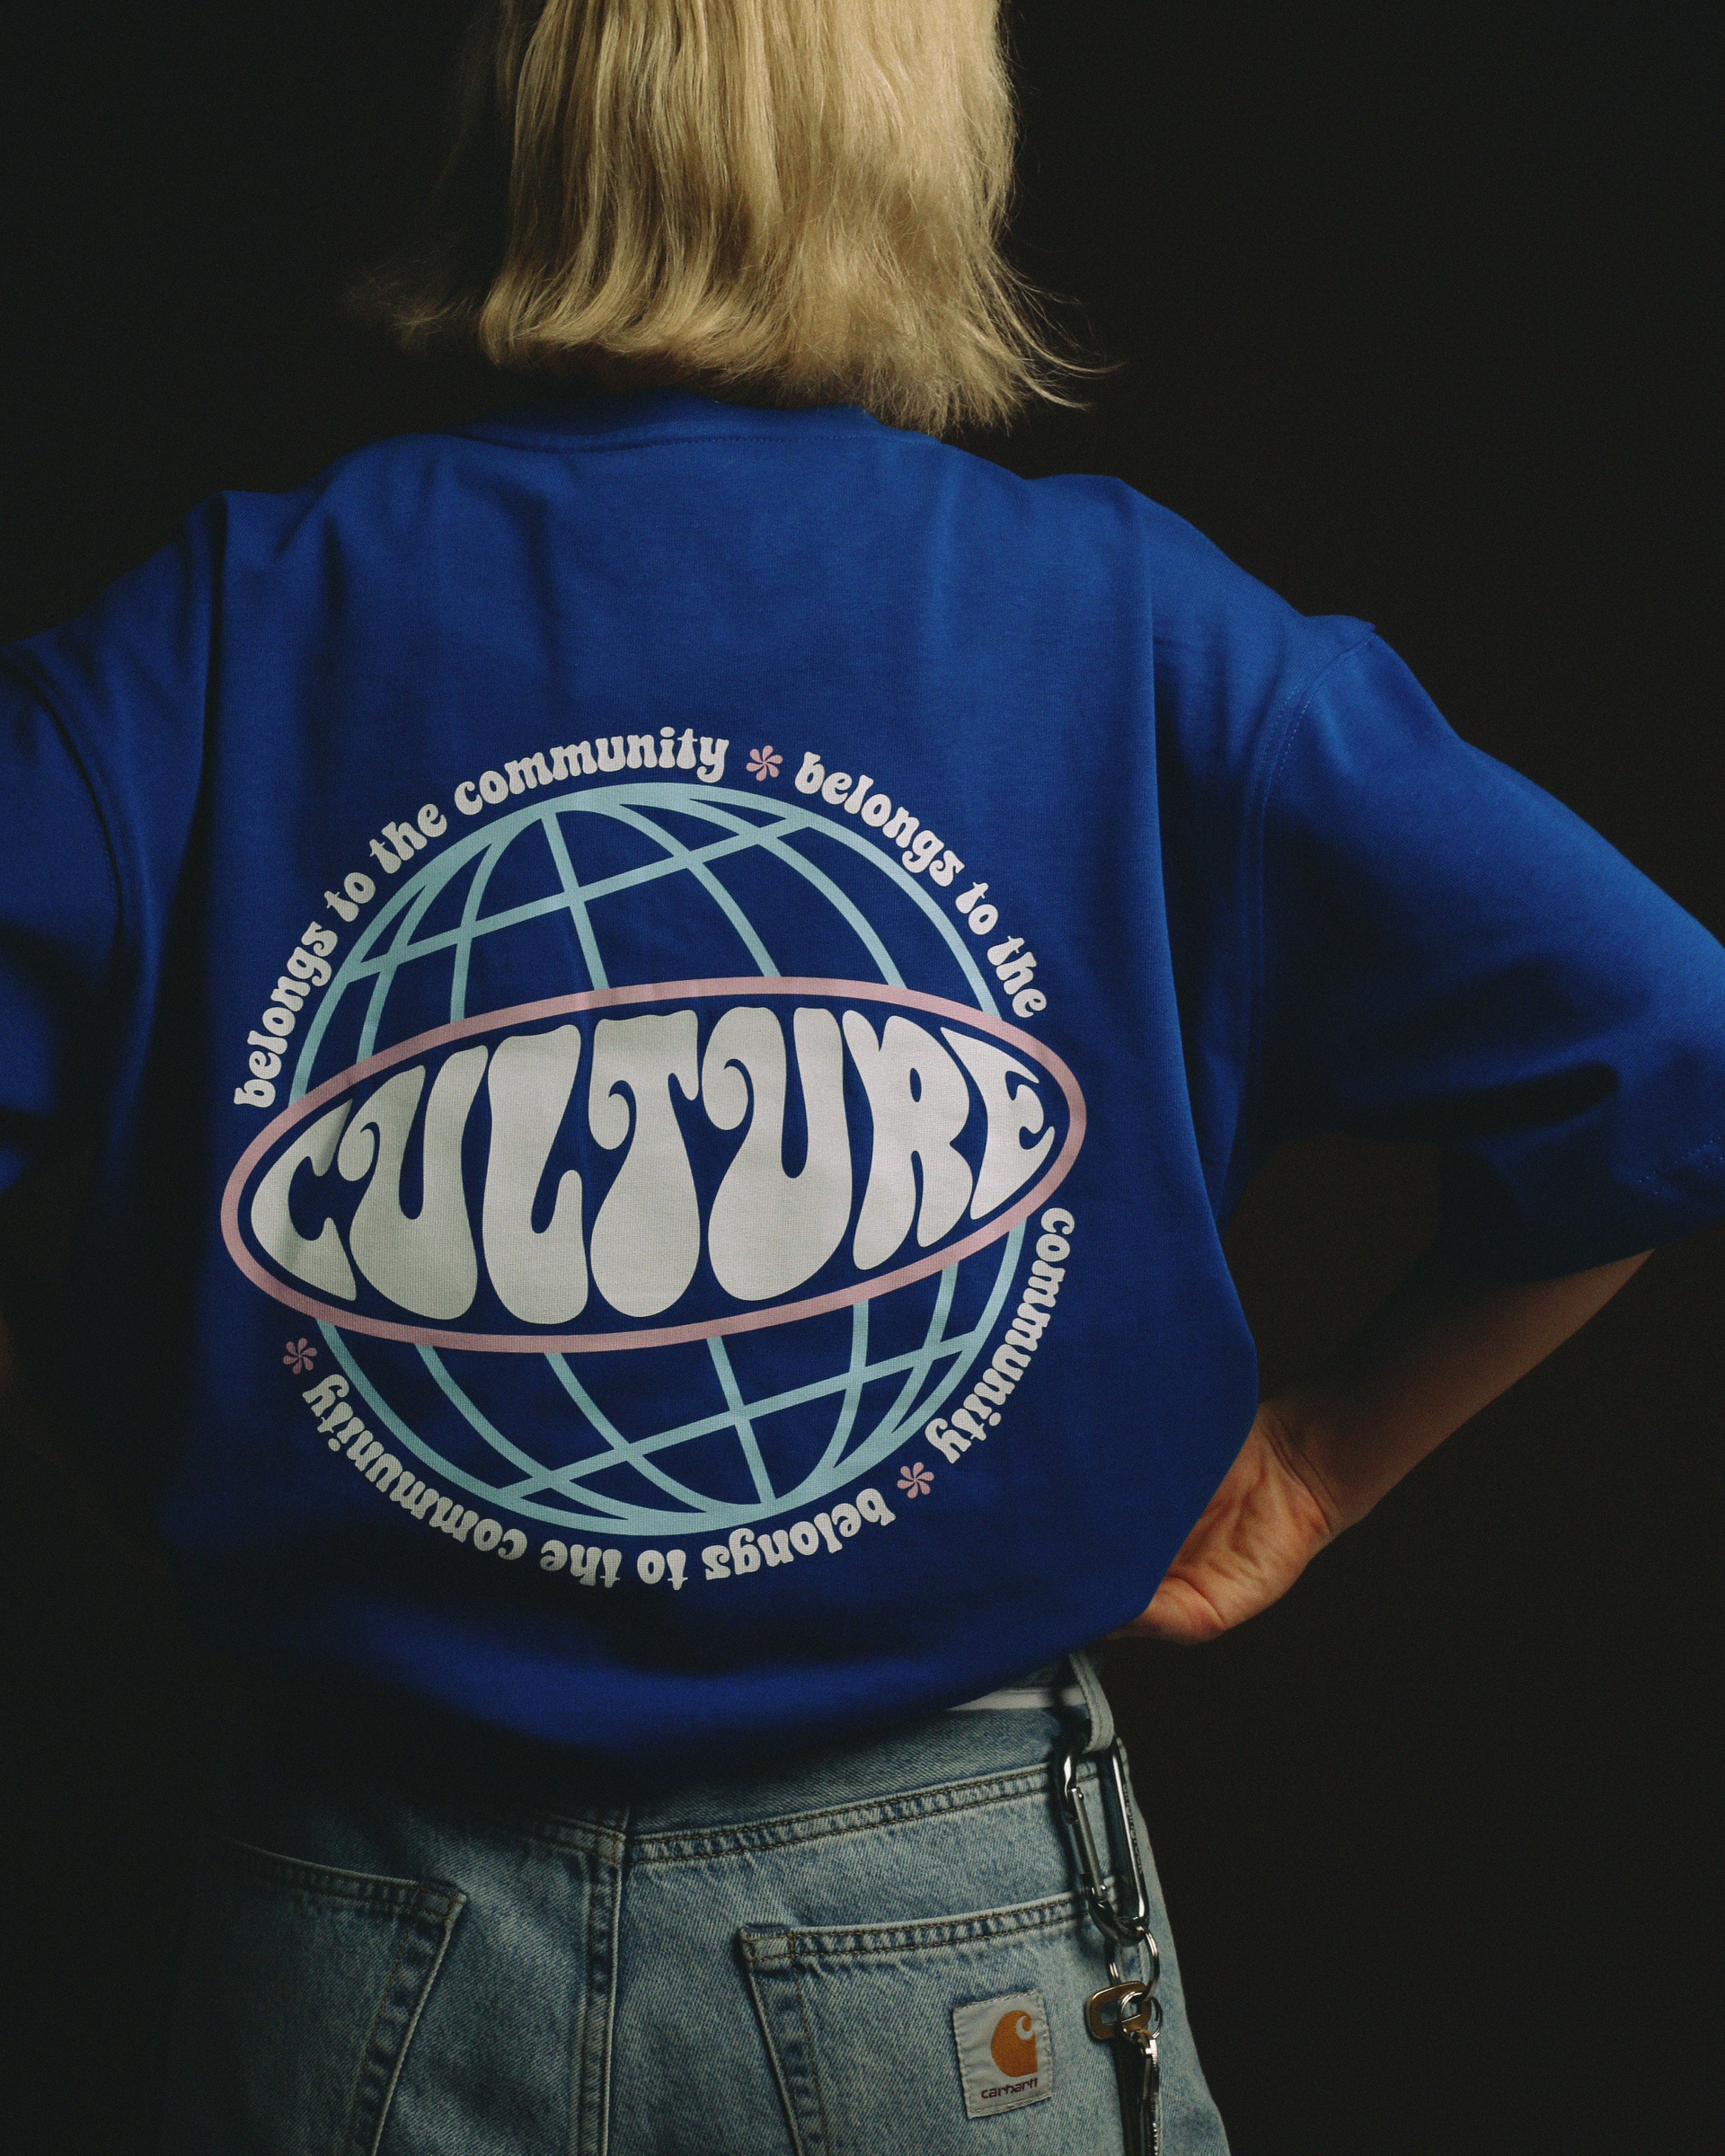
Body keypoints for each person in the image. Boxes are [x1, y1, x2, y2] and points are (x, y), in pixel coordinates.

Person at [2, 3, 1720, 2150]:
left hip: (354, 1916)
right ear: (934, 145)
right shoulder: (1127, 621)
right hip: (948, 1925)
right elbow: (1671, 1047)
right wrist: (1316, 1466)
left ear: (525, 122)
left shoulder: (227, 626)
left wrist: (114, 1421)